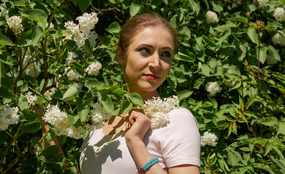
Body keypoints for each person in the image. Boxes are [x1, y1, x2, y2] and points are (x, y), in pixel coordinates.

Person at [79, 14, 201, 174]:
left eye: (165, 54)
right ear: (121, 56)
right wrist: (44, 125)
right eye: (145, 50)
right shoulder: (101, 117)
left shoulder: (175, 120)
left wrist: (136, 143)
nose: (156, 64)